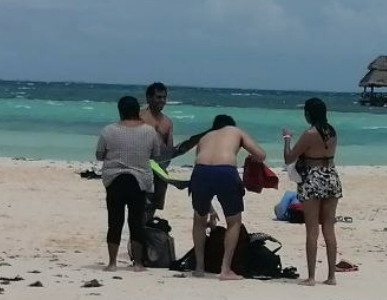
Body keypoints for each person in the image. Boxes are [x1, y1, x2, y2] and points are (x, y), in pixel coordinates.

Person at [190, 114, 266, 281]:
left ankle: (199, 268)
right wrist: (251, 159)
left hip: (200, 171)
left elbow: (200, 161)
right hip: (225, 171)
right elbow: (261, 155)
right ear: (231, 125)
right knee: (234, 221)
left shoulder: (206, 136)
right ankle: (225, 269)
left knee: (199, 219)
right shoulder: (235, 131)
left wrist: (210, 207)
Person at [96, 96, 165, 272]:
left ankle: (112, 263)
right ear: (138, 111)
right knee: (136, 222)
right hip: (139, 180)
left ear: (120, 111)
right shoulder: (149, 131)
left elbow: (99, 155)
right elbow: (155, 154)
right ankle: (138, 264)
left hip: (114, 180)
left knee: (115, 221)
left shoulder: (108, 130)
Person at [283, 98, 342, 286]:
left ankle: (311, 277)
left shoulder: (309, 133)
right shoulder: (331, 131)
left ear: (309, 113)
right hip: (331, 176)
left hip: (313, 178)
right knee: (329, 229)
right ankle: (332, 276)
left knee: (312, 230)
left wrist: (287, 139)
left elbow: (289, 158)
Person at [141, 82, 174, 215]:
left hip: (159, 167)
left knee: (154, 205)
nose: (162, 101)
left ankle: (147, 230)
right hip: (141, 166)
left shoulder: (167, 121)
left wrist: (164, 167)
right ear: (149, 98)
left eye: (164, 97)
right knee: (141, 204)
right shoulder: (139, 117)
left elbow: (170, 147)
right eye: (158, 97)